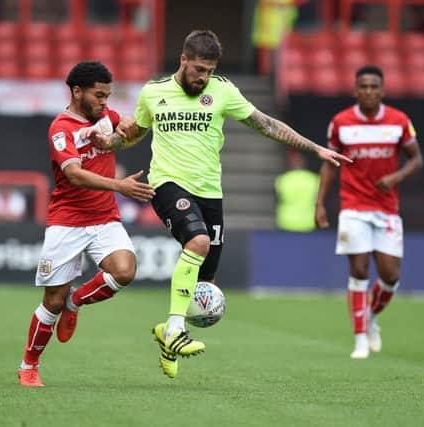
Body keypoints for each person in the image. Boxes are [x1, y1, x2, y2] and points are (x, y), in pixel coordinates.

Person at [96, 30, 351, 378]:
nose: (203, 77)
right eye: (199, 68)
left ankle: (165, 336)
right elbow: (134, 135)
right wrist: (108, 143)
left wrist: (314, 148)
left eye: (209, 70)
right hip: (168, 184)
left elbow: (266, 124)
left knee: (205, 286)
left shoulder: (223, 91)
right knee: (197, 241)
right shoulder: (154, 93)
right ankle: (174, 329)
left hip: (210, 192)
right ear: (183, 60)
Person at [17, 61, 155, 387]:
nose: (105, 102)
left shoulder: (106, 117)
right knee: (51, 301)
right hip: (67, 221)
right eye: (99, 95)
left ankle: (75, 302)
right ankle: (29, 365)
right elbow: (74, 174)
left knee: (125, 270)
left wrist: (133, 130)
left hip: (104, 217)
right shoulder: (60, 128)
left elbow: (132, 131)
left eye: (108, 95)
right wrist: (120, 186)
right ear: (77, 92)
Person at [314, 65, 424, 360]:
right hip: (353, 207)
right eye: (363, 86)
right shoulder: (341, 123)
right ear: (355, 90)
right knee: (359, 270)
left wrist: (396, 178)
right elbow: (329, 163)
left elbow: (416, 159)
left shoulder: (399, 121)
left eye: (375, 86)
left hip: (387, 209)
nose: (369, 91)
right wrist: (320, 202)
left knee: (390, 276)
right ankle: (360, 338)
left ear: (383, 90)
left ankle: (372, 318)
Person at [274, 151, 319, 232]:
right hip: (308, 223)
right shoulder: (314, 179)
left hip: (286, 222)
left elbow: (276, 200)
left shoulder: (282, 180)